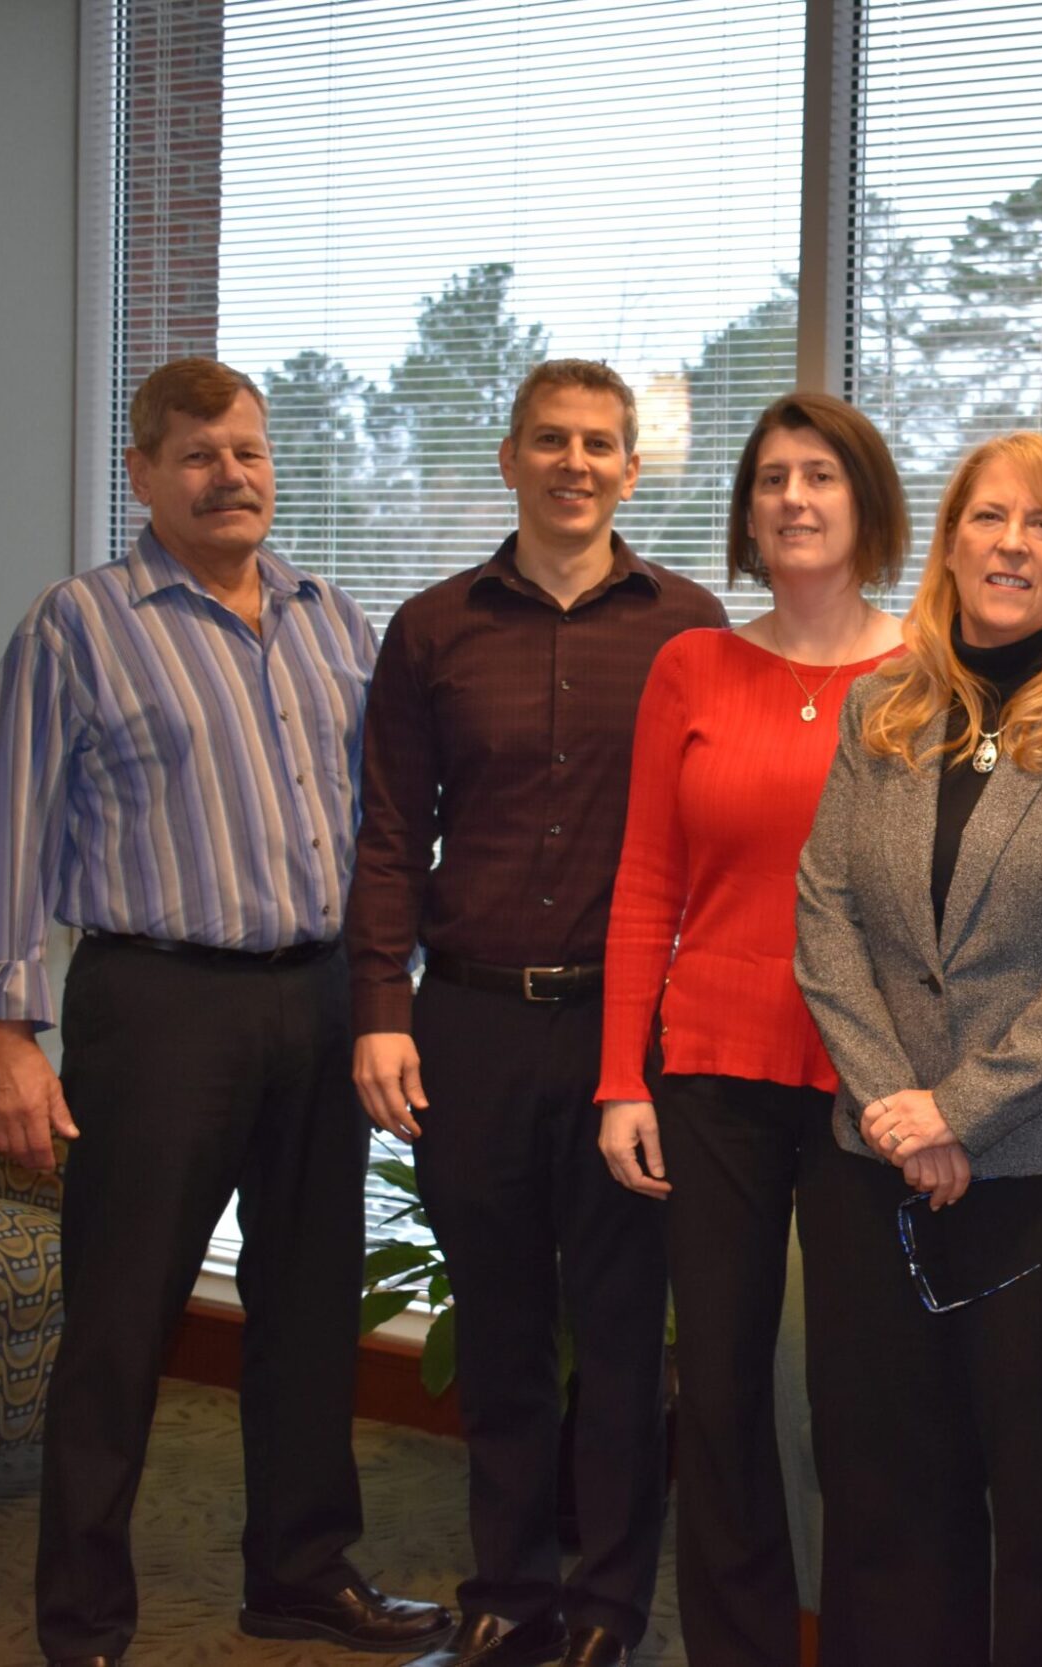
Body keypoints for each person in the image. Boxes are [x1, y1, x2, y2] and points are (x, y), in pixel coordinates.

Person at [0, 358, 450, 1667]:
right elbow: (8, 829)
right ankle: (85, 1621)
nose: (230, 476)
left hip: (319, 994)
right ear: (143, 474)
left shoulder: (333, 619)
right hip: (157, 1001)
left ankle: (300, 1571)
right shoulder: (78, 624)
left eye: (249, 451)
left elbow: (384, 822)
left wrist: (391, 984)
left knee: (308, 1303)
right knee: (121, 1322)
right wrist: (5, 1034)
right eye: (198, 455)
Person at [790, 432, 1042, 1667]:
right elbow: (824, 913)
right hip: (876, 1170)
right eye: (986, 516)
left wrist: (957, 1110)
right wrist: (895, 1105)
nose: (1011, 543)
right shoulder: (883, 703)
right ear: (950, 543)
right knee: (880, 1497)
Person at [344, 360, 726, 1667]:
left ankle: (608, 1606)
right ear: (511, 458)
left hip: (630, 1039)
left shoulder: (689, 629)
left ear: (631, 469)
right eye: (551, 440)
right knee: (502, 1334)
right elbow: (389, 833)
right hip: (471, 1026)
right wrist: (380, 1004)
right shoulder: (433, 629)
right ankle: (507, 1589)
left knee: (621, 1339)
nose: (575, 463)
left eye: (599, 444)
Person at [594, 392, 908, 1667]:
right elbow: (645, 882)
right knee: (719, 1391)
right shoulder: (693, 665)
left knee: (862, 1396)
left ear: (865, 502)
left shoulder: (928, 675)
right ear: (746, 512)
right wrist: (623, 1079)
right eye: (772, 477)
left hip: (868, 1080)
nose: (792, 498)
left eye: (820, 474)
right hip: (711, 1072)